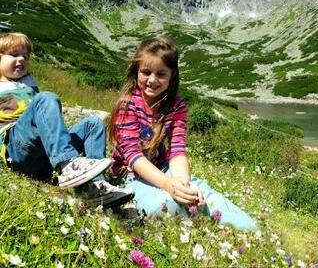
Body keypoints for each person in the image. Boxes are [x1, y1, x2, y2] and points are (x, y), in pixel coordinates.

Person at [107, 37, 257, 230]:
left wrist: (182, 185)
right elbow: (132, 155)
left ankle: (250, 228)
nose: (152, 80)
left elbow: (177, 150)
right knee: (166, 203)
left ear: (172, 76)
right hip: (128, 174)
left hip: (162, 169)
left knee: (198, 194)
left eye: (161, 74)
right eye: (146, 72)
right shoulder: (127, 104)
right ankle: (187, 214)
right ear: (136, 71)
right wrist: (168, 186)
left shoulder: (177, 106)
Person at [0, 32, 132, 206]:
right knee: (46, 98)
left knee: (93, 124)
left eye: (25, 56)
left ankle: (95, 186)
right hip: (17, 150)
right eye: (14, 54)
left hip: (44, 157)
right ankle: (68, 164)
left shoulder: (28, 84)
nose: (21, 59)